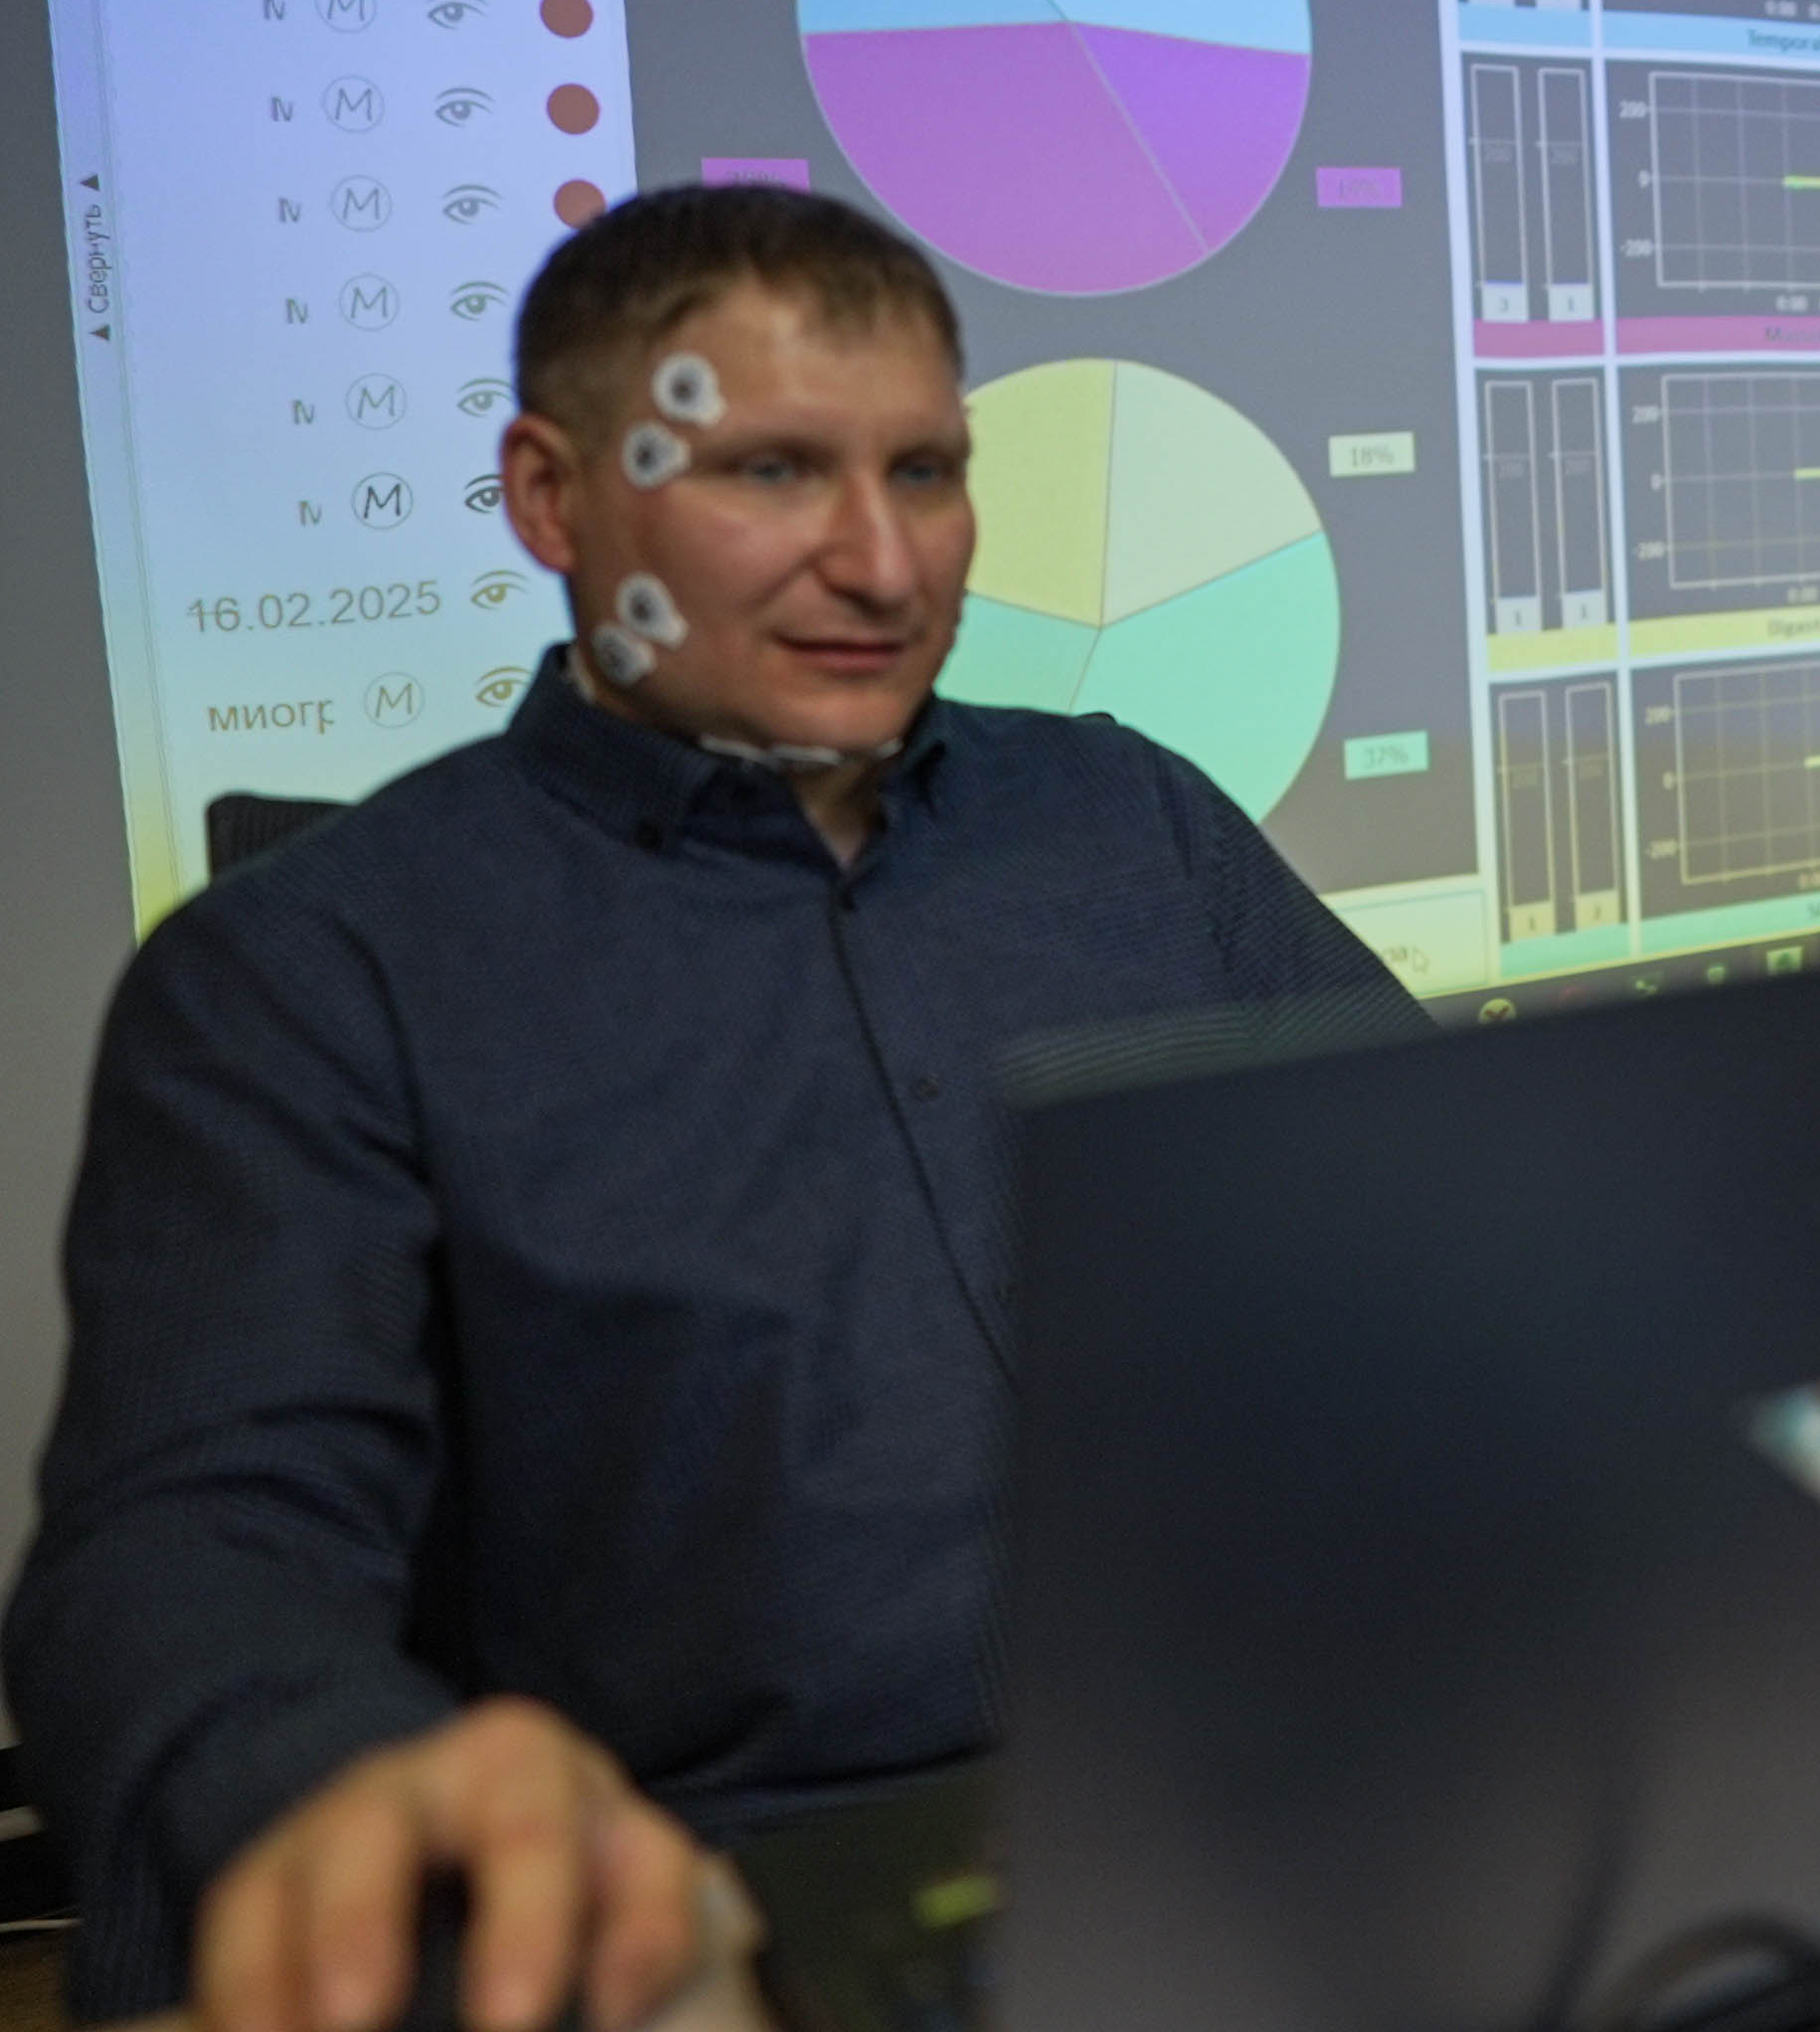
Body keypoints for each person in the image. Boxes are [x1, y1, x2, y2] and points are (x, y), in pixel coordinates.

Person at [5, 186, 1418, 2031]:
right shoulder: (309, 972)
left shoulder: (1132, 824)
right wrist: (344, 1786)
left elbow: (1455, 1223)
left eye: (925, 472)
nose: (883, 563)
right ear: (551, 496)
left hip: (1283, 1804)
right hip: (730, 1915)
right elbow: (196, 1539)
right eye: (772, 471)